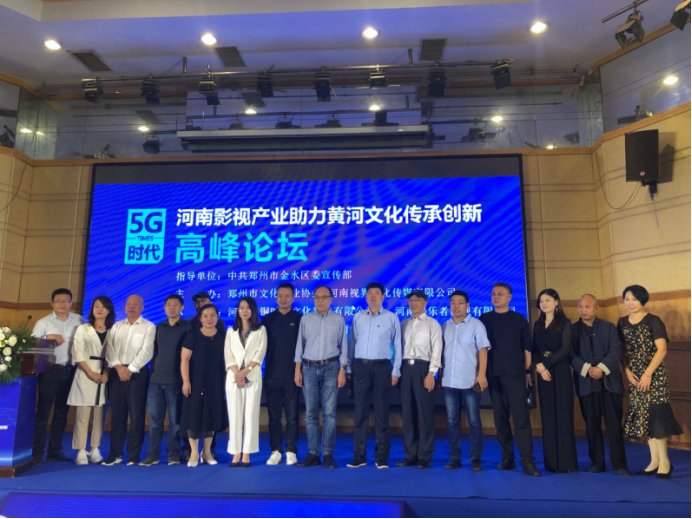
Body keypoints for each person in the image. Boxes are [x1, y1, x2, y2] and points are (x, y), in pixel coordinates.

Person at [619, 285, 682, 479]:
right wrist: (627, 372)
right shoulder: (621, 322)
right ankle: (654, 461)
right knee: (644, 416)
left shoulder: (654, 321)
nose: (630, 303)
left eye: (635, 299)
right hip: (634, 376)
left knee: (657, 416)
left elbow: (662, 350)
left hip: (654, 375)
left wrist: (648, 374)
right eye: (627, 299)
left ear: (643, 300)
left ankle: (665, 462)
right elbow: (621, 350)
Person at [479, 283, 541, 477]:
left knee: (521, 418)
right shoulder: (484, 319)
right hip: (494, 374)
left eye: (500, 294)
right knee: (500, 419)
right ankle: (508, 457)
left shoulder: (519, 319)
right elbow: (480, 349)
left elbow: (527, 347)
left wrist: (527, 372)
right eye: (493, 294)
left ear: (509, 297)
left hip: (516, 374)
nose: (496, 297)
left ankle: (527, 460)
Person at [570, 294, 630, 476]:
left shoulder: (609, 327)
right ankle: (597, 463)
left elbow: (615, 351)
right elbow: (570, 354)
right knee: (592, 426)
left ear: (596, 308)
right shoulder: (572, 330)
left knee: (614, 426)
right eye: (580, 306)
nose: (583, 310)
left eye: (587, 306)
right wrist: (588, 369)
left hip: (609, 383)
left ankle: (619, 465)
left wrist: (601, 369)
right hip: (586, 383)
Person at [347, 282, 402, 470]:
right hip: (361, 367)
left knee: (381, 414)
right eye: (369, 293)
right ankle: (359, 457)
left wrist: (396, 370)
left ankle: (382, 457)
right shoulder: (358, 317)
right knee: (360, 413)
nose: (372, 296)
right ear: (366, 296)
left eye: (376, 293)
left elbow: (398, 345)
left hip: (382, 368)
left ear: (383, 296)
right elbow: (352, 343)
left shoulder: (391, 317)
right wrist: (348, 368)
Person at [294, 286, 348, 469]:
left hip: (332, 367)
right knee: (310, 414)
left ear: (331, 299)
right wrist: (297, 370)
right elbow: (299, 346)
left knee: (329, 413)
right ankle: (313, 453)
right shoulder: (305, 319)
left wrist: (342, 369)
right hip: (308, 368)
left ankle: (328, 454)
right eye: (317, 297)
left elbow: (344, 347)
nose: (320, 300)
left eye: (324, 297)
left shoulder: (338, 319)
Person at [31, 288, 85, 465]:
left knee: (62, 412)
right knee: (43, 412)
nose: (63, 304)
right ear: (52, 303)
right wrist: (48, 338)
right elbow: (32, 345)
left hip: (70, 370)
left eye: (66, 301)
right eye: (59, 301)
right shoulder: (43, 322)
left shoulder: (79, 320)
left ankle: (55, 450)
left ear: (71, 303)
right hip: (50, 371)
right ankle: (37, 452)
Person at [103, 295, 155, 466]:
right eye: (128, 304)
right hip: (117, 372)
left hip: (138, 373)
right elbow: (109, 349)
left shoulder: (149, 326)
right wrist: (119, 368)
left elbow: (147, 351)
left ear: (142, 307)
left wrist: (130, 369)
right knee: (117, 414)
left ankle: (133, 455)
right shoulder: (116, 326)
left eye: (135, 304)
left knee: (136, 415)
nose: (131, 306)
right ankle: (115, 454)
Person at [141, 294, 193, 467]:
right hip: (155, 380)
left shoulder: (188, 327)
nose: (172, 308)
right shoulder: (159, 327)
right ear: (164, 308)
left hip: (176, 381)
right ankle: (152, 455)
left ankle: (173, 454)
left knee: (175, 422)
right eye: (168, 305)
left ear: (182, 307)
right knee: (154, 422)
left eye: (175, 305)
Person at [441, 291, 491, 472]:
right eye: (453, 302)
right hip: (449, 380)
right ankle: (455, 457)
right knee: (452, 421)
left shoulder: (476, 325)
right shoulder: (445, 325)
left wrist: (482, 374)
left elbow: (483, 350)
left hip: (470, 380)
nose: (456, 306)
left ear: (467, 305)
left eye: (460, 302)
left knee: (474, 421)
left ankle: (476, 458)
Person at [533, 288, 578, 473]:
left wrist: (545, 365)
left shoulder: (564, 322)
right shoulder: (537, 324)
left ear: (556, 302)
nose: (544, 304)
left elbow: (565, 349)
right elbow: (534, 349)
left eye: (548, 300)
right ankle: (551, 463)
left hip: (559, 371)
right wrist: (538, 366)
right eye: (541, 301)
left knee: (563, 415)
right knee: (548, 415)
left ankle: (566, 463)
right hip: (542, 373)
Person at [397, 290, 443, 470]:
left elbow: (437, 349)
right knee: (407, 414)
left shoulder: (432, 323)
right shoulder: (403, 324)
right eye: (411, 300)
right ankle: (410, 455)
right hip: (405, 369)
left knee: (425, 415)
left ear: (425, 302)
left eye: (417, 299)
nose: (413, 303)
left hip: (424, 369)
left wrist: (432, 373)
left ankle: (424, 456)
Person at [179, 304, 228, 468]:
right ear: (200, 318)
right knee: (193, 416)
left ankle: (206, 452)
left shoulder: (223, 336)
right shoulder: (192, 335)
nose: (209, 319)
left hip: (216, 381)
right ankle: (194, 452)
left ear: (217, 317)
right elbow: (184, 360)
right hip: (195, 381)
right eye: (205, 315)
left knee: (211, 416)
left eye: (212, 315)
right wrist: (186, 381)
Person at [67, 296, 115, 466]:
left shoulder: (113, 330)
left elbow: (116, 354)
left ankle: (95, 448)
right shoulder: (83, 329)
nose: (99, 310)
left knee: (100, 415)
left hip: (105, 374)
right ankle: (81, 449)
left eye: (103, 307)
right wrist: (90, 372)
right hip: (85, 372)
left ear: (109, 310)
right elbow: (77, 352)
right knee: (82, 415)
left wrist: (107, 372)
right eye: (96, 306)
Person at [263, 283, 303, 467]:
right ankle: (276, 451)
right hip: (271, 375)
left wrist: (299, 371)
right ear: (276, 297)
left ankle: (291, 451)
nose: (283, 299)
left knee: (293, 417)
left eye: (287, 296)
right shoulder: (267, 319)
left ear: (293, 298)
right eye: (280, 295)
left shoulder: (300, 319)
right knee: (274, 417)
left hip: (293, 375)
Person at [225, 297, 268, 468]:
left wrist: (246, 371)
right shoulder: (231, 331)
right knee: (235, 416)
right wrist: (237, 374)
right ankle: (236, 452)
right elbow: (228, 354)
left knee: (250, 415)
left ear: (253, 310)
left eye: (248, 308)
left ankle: (247, 453)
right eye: (241, 307)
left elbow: (260, 352)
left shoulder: (261, 330)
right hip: (234, 379)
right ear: (237, 310)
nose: (244, 311)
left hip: (253, 376)